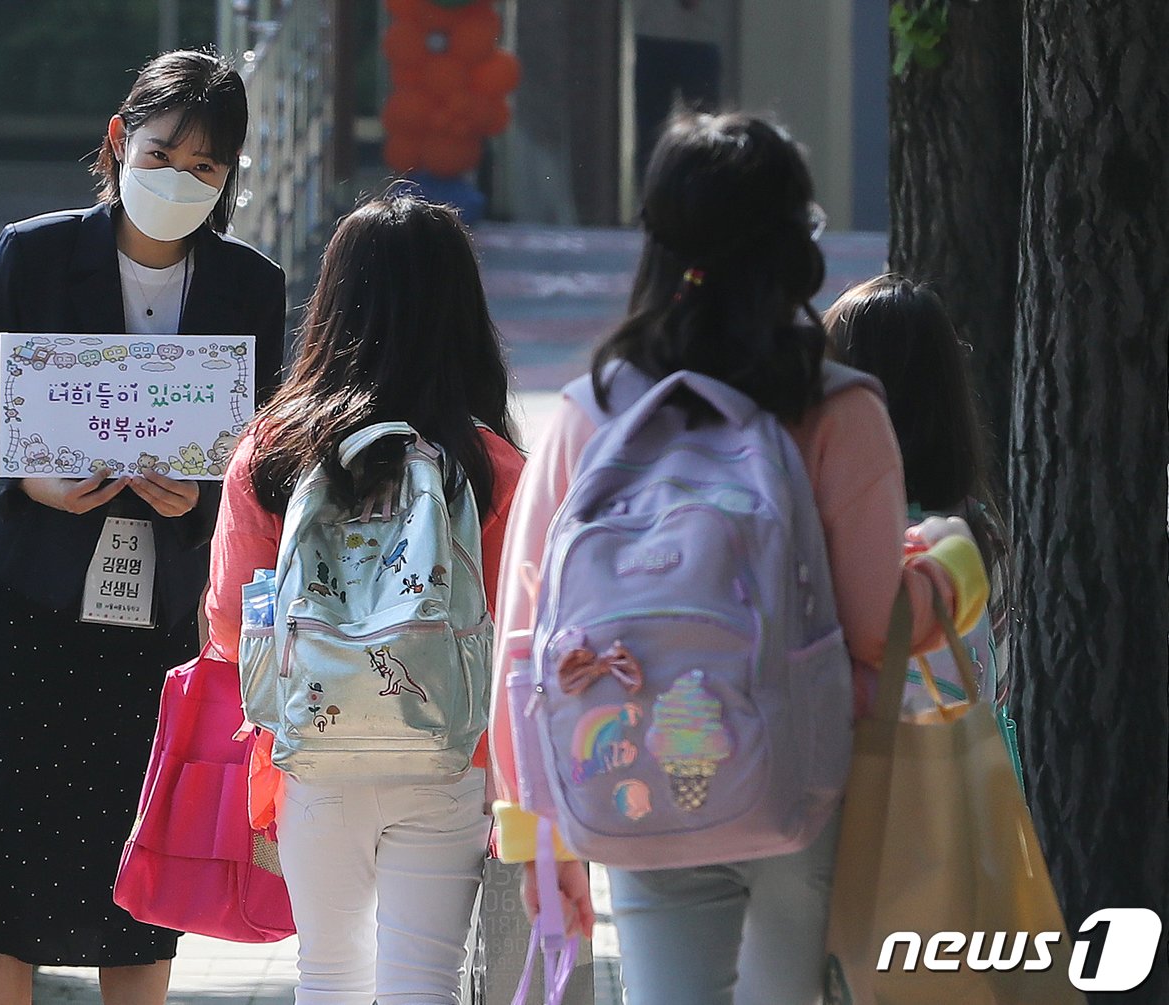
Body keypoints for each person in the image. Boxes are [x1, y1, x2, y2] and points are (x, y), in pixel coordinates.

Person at [486, 111, 990, 1004]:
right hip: (801, 779)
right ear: (793, 241)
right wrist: (952, 566)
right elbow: (876, 627)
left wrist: (535, 833)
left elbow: (526, 638)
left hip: (628, 770)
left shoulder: (589, 411)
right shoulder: (837, 406)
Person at [0, 49, 286, 1005]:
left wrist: (204, 502)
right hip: (25, 591)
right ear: (120, 141)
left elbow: (266, 452)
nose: (182, 180)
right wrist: (31, 484)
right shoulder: (32, 254)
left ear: (229, 180)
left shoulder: (250, 286)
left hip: (161, 604)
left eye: (208, 168)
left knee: (140, 832)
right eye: (165, 153)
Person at [205, 195, 525, 1004]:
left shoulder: (272, 453)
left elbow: (227, 628)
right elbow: (522, 638)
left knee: (330, 975)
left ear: (335, 301)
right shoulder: (489, 464)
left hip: (314, 749)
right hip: (449, 754)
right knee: (425, 982)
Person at [824, 275, 1017, 747]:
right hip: (946, 799)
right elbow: (1001, 687)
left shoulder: (828, 526)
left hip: (845, 787)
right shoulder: (976, 531)